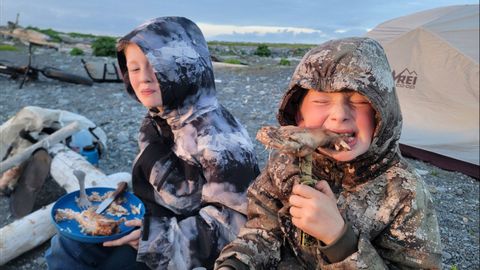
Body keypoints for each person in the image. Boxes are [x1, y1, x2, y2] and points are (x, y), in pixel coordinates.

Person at [46, 16, 259, 270]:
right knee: (66, 245)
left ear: (185, 66)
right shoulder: (158, 119)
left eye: (156, 66)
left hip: (188, 250)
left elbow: (234, 225)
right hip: (148, 225)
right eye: (134, 68)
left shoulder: (221, 139)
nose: (143, 78)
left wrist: (154, 237)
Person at [215, 37, 442, 269]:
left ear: (382, 114)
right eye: (321, 100)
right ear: (298, 116)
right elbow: (262, 231)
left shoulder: (404, 193)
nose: (339, 115)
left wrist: (338, 239)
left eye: (359, 100)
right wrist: (235, 263)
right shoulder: (284, 164)